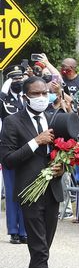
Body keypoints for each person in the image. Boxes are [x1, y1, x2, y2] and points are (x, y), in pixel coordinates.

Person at [0, 76, 66, 268]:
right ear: (26, 96)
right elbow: (8, 159)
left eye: (45, 93)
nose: (42, 98)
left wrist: (62, 166)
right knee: (39, 251)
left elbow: (64, 149)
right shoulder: (12, 121)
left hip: (52, 192)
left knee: (42, 251)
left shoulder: (53, 118)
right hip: (29, 193)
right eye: (36, 94)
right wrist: (35, 142)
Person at [1, 65, 28, 243]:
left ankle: (25, 231)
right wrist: (4, 91)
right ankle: (13, 231)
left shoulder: (28, 99)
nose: (18, 82)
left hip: (27, 151)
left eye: (20, 78)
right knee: (12, 193)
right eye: (14, 79)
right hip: (10, 151)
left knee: (26, 192)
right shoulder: (4, 100)